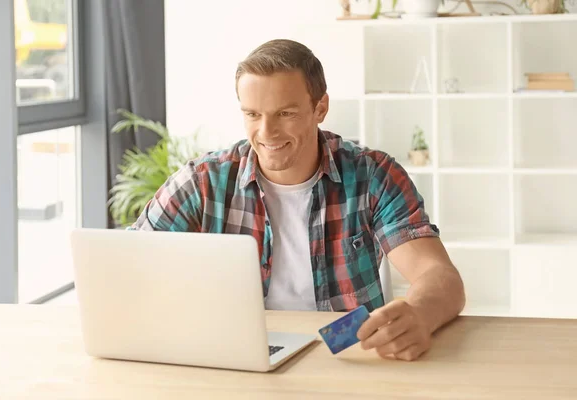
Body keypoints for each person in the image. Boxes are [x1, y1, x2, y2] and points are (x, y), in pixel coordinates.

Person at [129, 39, 465, 361]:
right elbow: (129, 265)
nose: (266, 132)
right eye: (252, 115)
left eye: (285, 114)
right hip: (235, 351)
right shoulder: (203, 182)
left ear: (320, 107)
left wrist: (420, 314)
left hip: (345, 349)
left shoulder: (373, 175)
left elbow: (439, 276)